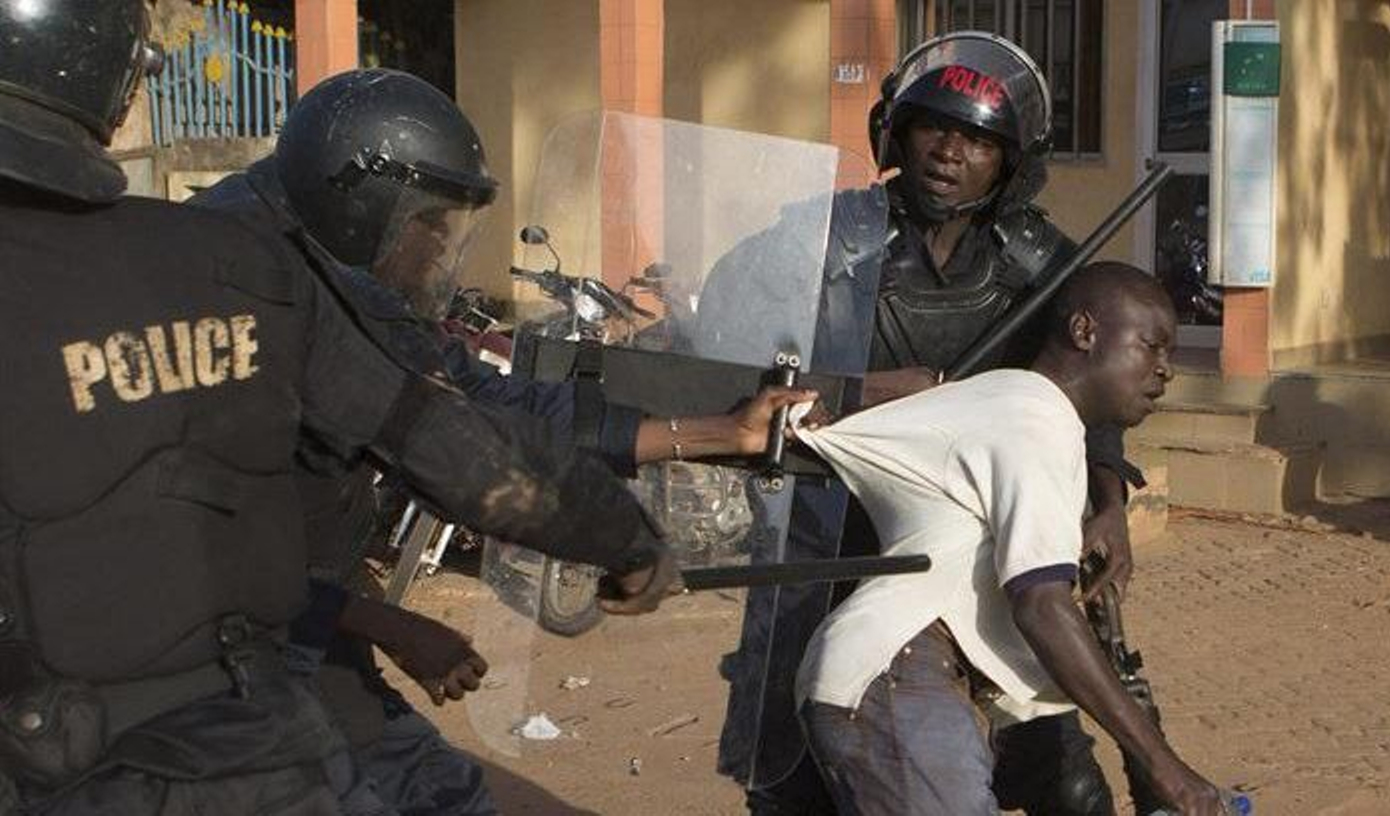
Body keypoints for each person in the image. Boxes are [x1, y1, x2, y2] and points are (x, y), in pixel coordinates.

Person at [0, 3, 675, 813]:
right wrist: (625, 540)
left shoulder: (230, 252)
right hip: (252, 753)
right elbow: (457, 449)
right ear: (112, 77)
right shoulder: (232, 264)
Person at [191, 68, 811, 815]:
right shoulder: (249, 293)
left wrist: (718, 431)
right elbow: (453, 453)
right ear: (362, 203)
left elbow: (487, 397)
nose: (437, 254)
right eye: (427, 226)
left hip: (302, 627)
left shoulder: (333, 266)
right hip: (205, 667)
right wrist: (622, 541)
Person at [720, 32, 1141, 814]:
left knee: (1070, 787)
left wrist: (1110, 495)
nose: (951, 152)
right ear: (896, 132)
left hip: (973, 552)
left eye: (980, 139)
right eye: (934, 128)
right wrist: (873, 390)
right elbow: (733, 357)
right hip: (829, 532)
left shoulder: (1039, 264)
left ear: (1010, 161)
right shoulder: (824, 241)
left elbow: (1094, 396)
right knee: (789, 780)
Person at [795, 262, 1224, 816]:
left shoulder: (1014, 405)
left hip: (915, 677)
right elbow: (1041, 606)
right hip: (897, 675)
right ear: (1085, 332)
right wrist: (1166, 768)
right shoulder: (1033, 418)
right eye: (1152, 346)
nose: (1166, 371)